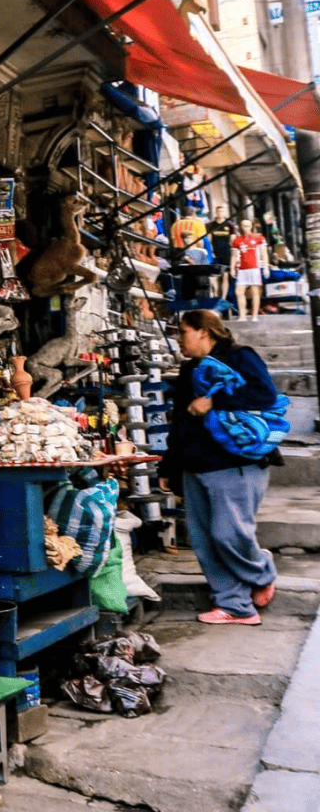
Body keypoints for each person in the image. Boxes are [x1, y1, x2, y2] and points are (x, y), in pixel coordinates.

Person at [158, 310, 278, 625]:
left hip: (236, 462)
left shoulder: (239, 357)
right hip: (196, 464)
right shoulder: (189, 370)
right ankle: (236, 606)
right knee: (203, 539)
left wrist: (215, 401)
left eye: (182, 331)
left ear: (203, 332)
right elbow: (181, 421)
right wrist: (169, 466)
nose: (178, 339)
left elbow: (265, 395)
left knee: (228, 534)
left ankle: (261, 570)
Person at [230, 218, 269, 322]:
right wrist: (232, 268)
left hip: (255, 268)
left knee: (255, 292)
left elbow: (264, 254)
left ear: (251, 226)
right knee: (239, 291)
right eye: (243, 226)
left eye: (248, 225)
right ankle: (242, 315)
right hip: (242, 269)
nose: (246, 228)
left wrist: (266, 268)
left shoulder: (258, 238)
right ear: (241, 227)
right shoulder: (237, 240)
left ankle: (254, 315)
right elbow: (234, 255)